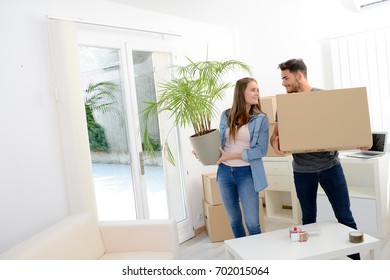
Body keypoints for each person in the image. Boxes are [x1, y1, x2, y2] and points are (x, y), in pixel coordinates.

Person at [270, 58, 360, 259]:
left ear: (299, 75)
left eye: (286, 78)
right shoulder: (285, 104)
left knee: (345, 217)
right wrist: (275, 143)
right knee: (308, 220)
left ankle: (357, 266)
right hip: (302, 171)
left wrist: (358, 139)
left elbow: (341, 129)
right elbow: (275, 136)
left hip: (330, 167)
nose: (283, 83)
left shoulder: (323, 97)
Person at [215, 77, 269, 238]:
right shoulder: (226, 115)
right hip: (225, 173)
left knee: (252, 223)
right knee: (234, 220)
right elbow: (219, 142)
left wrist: (231, 156)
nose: (257, 93)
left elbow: (261, 150)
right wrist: (203, 151)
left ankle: (257, 257)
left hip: (247, 173)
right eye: (253, 90)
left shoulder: (261, 119)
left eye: (257, 90)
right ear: (241, 92)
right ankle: (243, 257)